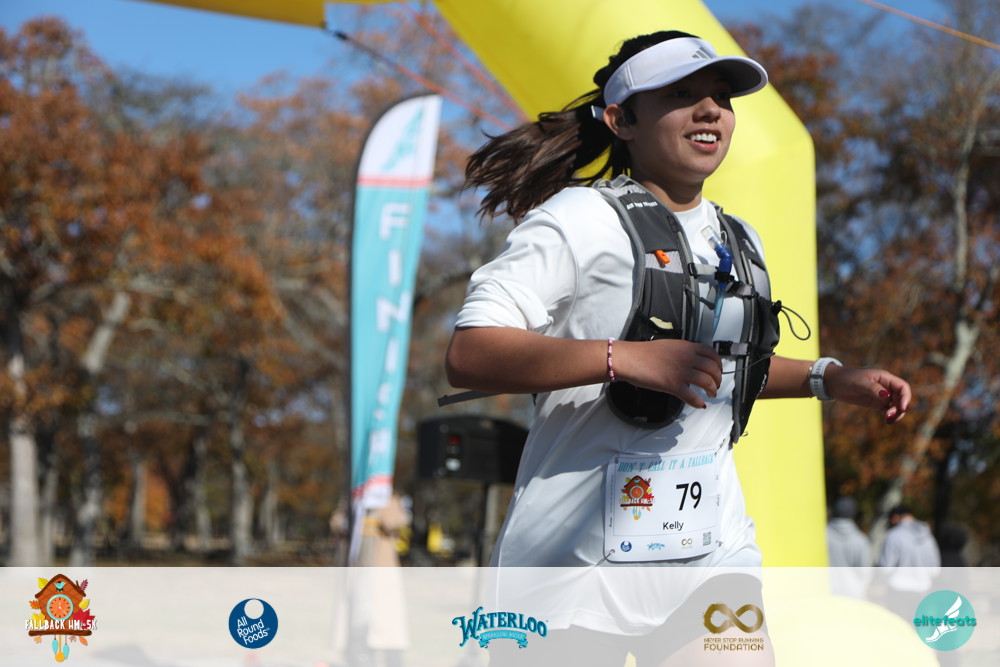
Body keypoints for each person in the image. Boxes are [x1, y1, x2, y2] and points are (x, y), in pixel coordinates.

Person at [445, 30, 911, 666]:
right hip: (569, 570)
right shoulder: (577, 218)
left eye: (721, 96)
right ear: (621, 120)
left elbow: (724, 370)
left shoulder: (740, 238)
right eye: (681, 94)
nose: (710, 110)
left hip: (710, 560)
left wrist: (829, 378)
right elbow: (470, 353)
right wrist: (624, 358)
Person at [876, 505, 941, 622]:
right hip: (922, 589)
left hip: (898, 589)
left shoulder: (894, 535)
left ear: (895, 517)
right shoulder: (928, 537)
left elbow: (885, 568)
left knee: (897, 627)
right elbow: (935, 570)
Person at [826, 496, 873, 598]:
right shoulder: (860, 540)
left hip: (826, 591)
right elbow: (864, 572)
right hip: (852, 593)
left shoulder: (820, 536)